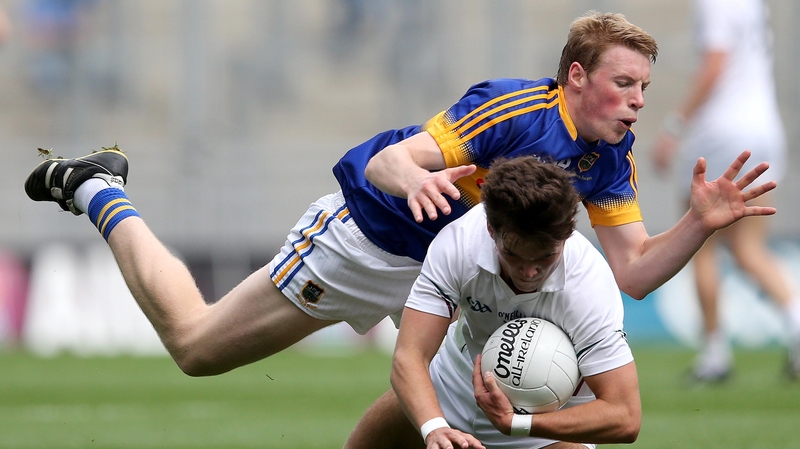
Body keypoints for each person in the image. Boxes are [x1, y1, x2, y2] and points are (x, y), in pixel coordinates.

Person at [25, 10, 772, 446]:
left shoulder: (610, 156)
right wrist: (416, 178)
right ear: (576, 77)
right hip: (367, 243)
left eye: (643, 86)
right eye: (623, 83)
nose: (637, 100)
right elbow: (390, 159)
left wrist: (699, 225)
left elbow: (634, 269)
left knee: (454, 396)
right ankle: (100, 189)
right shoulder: (514, 109)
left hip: (452, 273)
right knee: (195, 346)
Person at [392, 156, 641, 449]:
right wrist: (433, 427)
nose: (529, 271)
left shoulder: (588, 287)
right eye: (514, 255)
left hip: (551, 424)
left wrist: (515, 423)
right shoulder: (459, 244)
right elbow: (410, 355)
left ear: (569, 231)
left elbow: (625, 416)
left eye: (545, 256)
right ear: (490, 230)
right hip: (451, 386)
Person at [652, 0, 800, 382]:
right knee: (750, 247)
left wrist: (674, 126)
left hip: (721, 130)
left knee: (699, 240)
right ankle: (798, 327)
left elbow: (715, 65)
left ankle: (715, 354)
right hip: (763, 126)